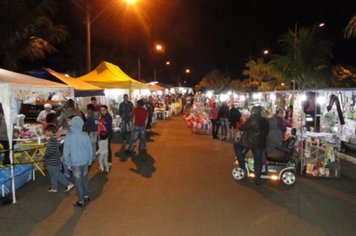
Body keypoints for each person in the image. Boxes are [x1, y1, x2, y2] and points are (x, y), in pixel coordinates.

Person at [233, 106, 269, 185]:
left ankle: (242, 166)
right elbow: (267, 132)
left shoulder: (253, 119)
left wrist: (246, 121)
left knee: (237, 146)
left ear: (253, 112)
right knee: (258, 160)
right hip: (261, 143)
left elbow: (242, 127)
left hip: (251, 142)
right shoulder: (265, 120)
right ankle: (257, 179)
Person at [63, 116, 93, 208]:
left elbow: (66, 152)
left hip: (75, 162)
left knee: (78, 182)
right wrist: (90, 160)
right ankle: (86, 195)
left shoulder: (69, 136)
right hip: (85, 161)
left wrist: (68, 163)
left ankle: (81, 201)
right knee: (84, 178)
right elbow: (90, 149)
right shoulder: (85, 135)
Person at [43, 124, 74, 193]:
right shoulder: (53, 139)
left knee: (56, 173)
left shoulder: (52, 140)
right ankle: (54, 187)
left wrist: (45, 156)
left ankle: (68, 184)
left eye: (46, 131)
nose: (45, 133)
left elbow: (51, 151)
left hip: (52, 160)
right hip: (53, 160)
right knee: (52, 174)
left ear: (50, 132)